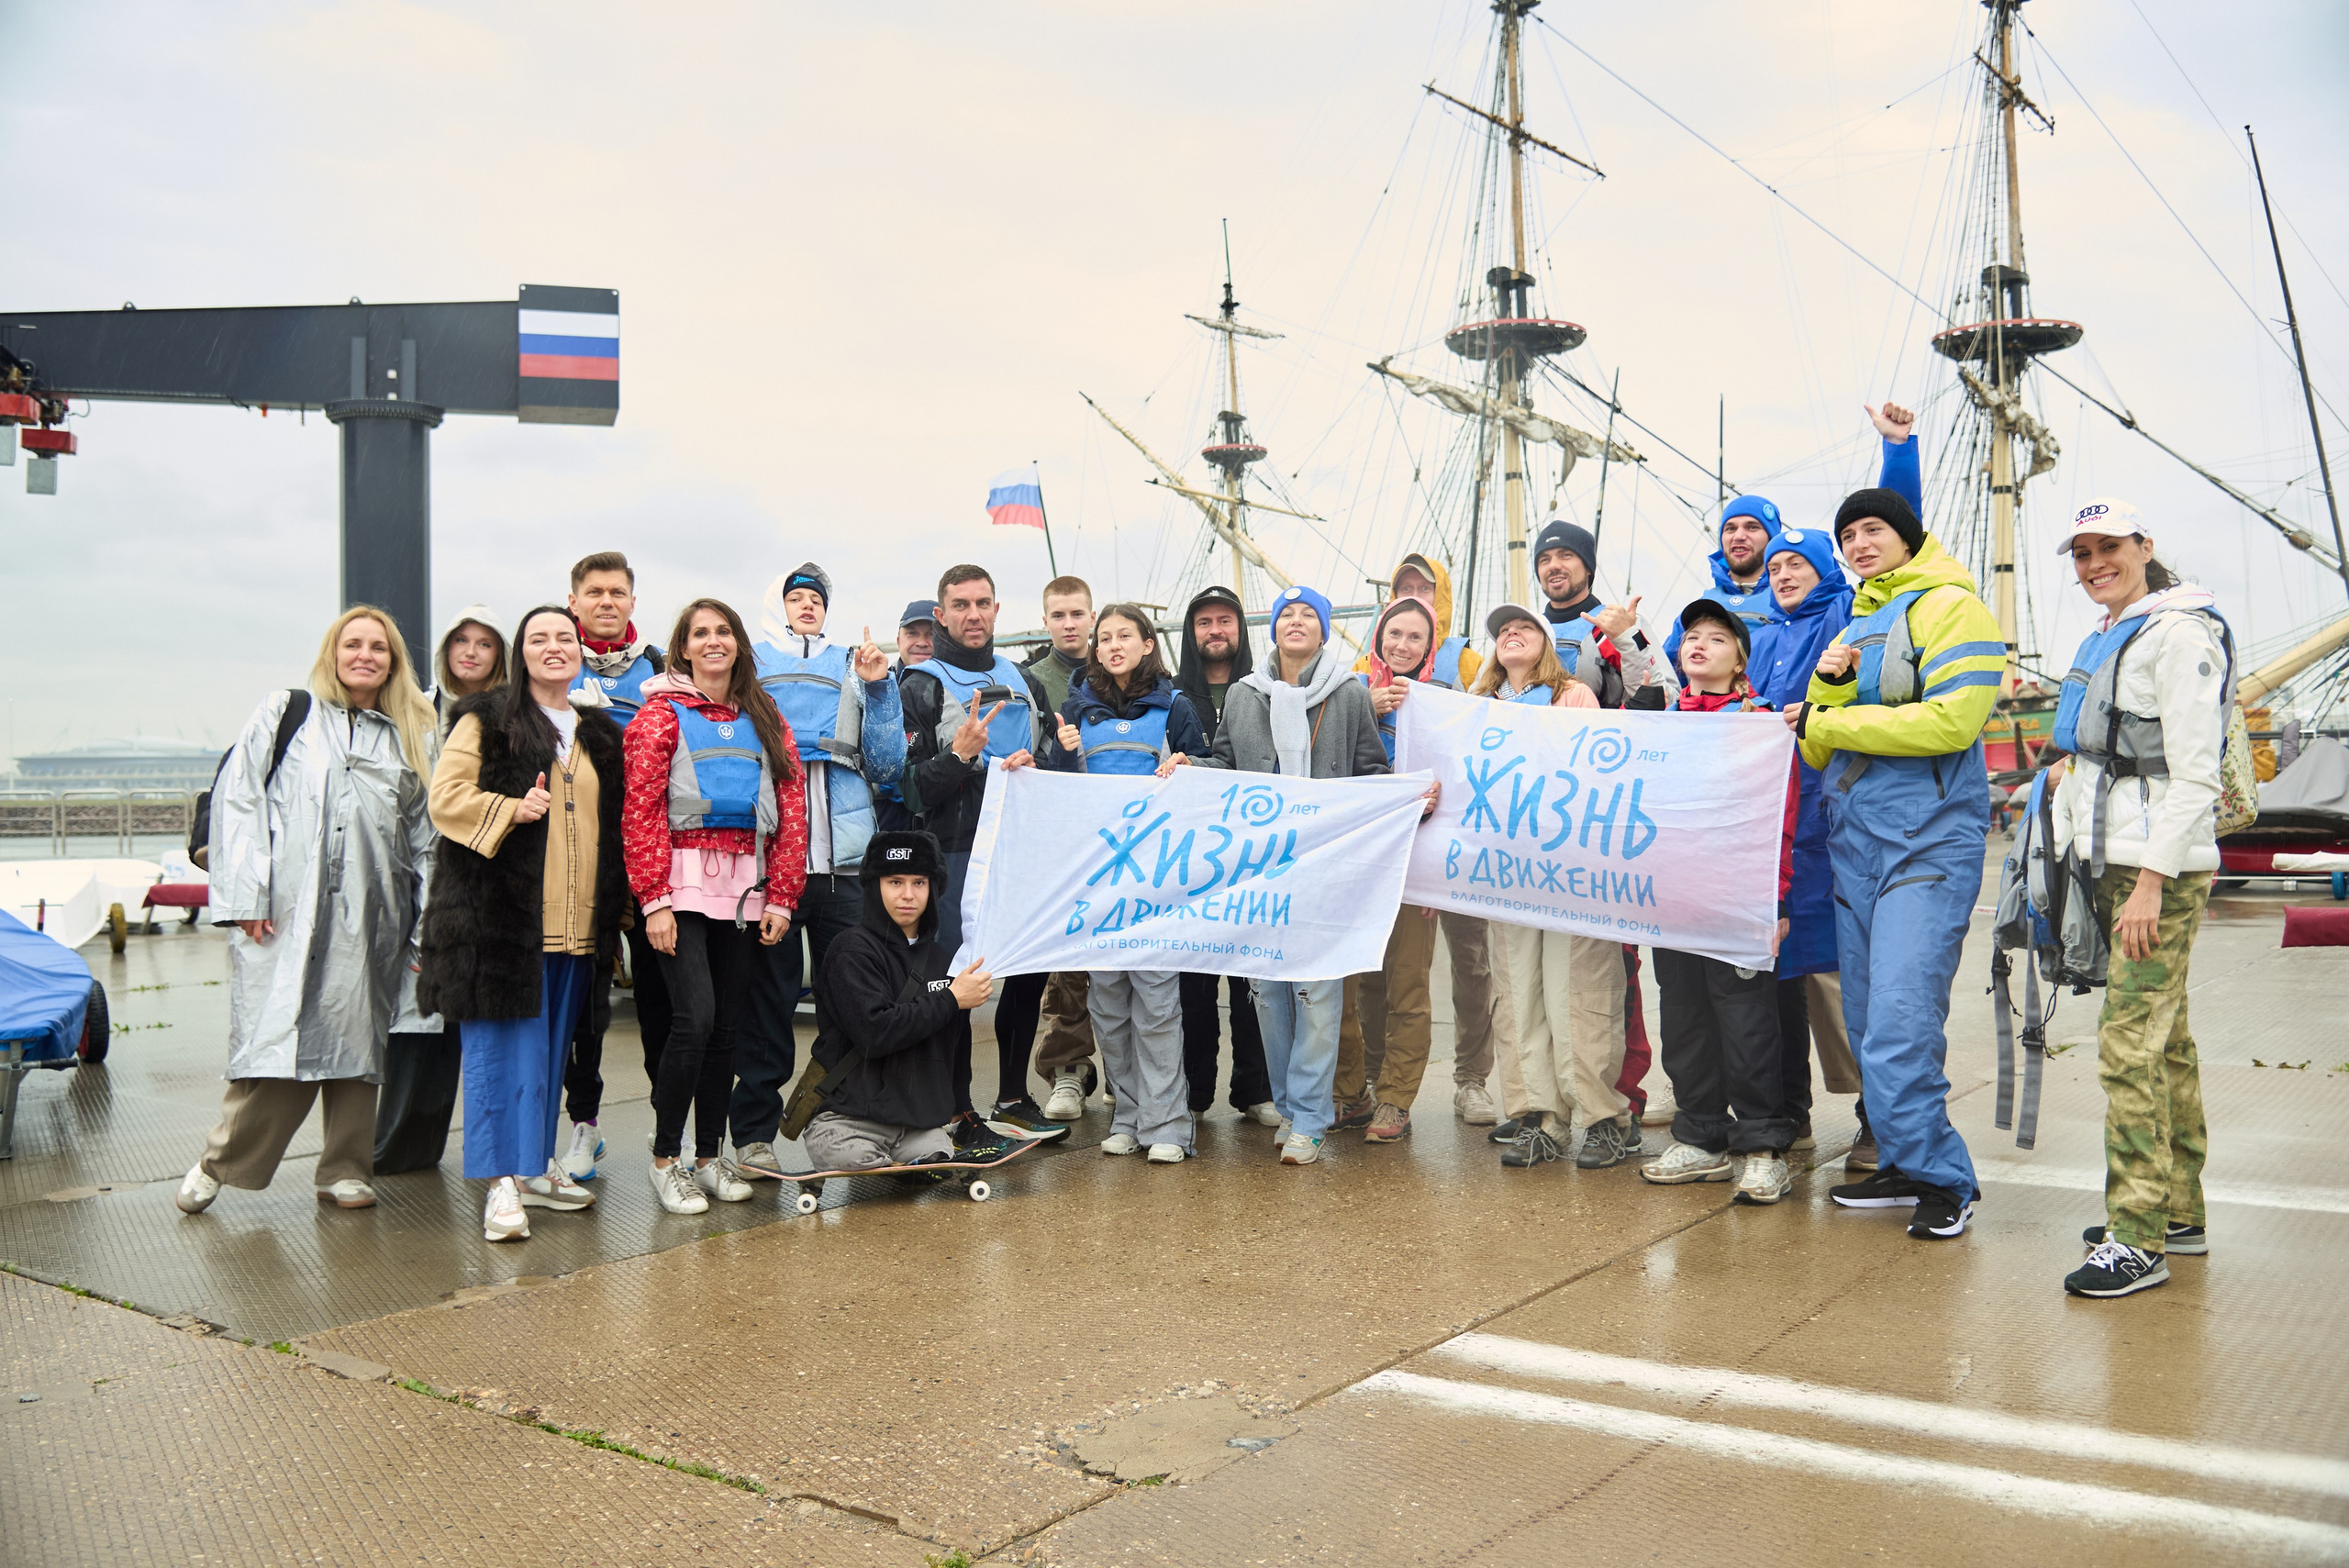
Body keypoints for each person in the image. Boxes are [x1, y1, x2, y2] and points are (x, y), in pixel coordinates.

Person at [1790, 483, 2005, 1241]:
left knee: (1903, 1020)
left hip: (1927, 840)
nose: (1857, 543)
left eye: (1873, 528)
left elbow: (1954, 721)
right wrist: (1831, 686)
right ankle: (1906, 1161)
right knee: (1867, 1016)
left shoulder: (1957, 608)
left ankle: (1946, 1177)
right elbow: (1816, 742)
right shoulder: (1856, 619)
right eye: (1847, 534)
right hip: (1856, 842)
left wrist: (1837, 713)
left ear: (1909, 536)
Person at [176, 607, 437, 1217]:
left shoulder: (411, 733)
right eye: (353, 644)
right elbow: (237, 797)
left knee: (357, 1044)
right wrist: (246, 896)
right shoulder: (286, 712)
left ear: (393, 660)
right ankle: (221, 1160)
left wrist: (427, 931)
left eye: (379, 646)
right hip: (285, 912)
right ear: (333, 652)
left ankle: (346, 1168)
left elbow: (427, 838)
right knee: (278, 1043)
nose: (365, 654)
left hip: (374, 916)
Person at [2050, 500, 2230, 1299]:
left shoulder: (2180, 634)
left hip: (2156, 870)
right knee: (2167, 1038)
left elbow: (2195, 775)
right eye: (2082, 553)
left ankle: (2136, 1236)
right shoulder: (2116, 631)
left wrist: (2151, 882)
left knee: (2129, 1044)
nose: (2094, 564)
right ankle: (2176, 1209)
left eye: (2109, 548)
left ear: (2145, 547)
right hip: (2113, 854)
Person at [1748, 401, 1923, 1173]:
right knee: (1777, 980)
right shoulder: (1756, 634)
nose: (1784, 574)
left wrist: (1897, 454)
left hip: (1837, 828)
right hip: (1771, 837)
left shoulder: (1852, 614)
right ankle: (1785, 1114)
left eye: (1799, 565)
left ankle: (1876, 1118)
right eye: (1775, 566)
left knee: (1847, 983)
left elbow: (1895, 531)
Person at [415, 606, 622, 1241]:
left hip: (575, 920)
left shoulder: (598, 732)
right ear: (521, 652)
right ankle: (501, 1184)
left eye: (565, 637)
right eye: (539, 639)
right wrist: (510, 806)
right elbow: (445, 799)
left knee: (549, 1051)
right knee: (497, 1054)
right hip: (499, 921)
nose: (554, 647)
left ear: (580, 650)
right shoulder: (484, 718)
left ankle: (534, 1168)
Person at [623, 598, 809, 1215]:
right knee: (694, 1019)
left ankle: (708, 1156)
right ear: (682, 647)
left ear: (738, 643)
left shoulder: (764, 716)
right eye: (699, 632)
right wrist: (653, 901)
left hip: (746, 887)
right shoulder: (658, 716)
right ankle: (664, 1158)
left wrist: (783, 894)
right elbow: (641, 812)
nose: (712, 640)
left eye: (722, 630)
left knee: (728, 1026)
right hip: (679, 885)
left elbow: (791, 811)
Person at [1199, 584, 1391, 1165]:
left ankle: (1311, 1115)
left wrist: (1409, 797)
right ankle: (1289, 1106)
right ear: (1274, 629)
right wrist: (1188, 766)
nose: (1297, 622)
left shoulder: (1350, 694)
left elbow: (1372, 771)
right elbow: (1226, 763)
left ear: (1325, 629)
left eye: (1310, 614)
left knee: (1318, 992)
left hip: (1325, 867)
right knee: (1267, 993)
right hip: (1262, 868)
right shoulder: (1243, 696)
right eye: (1287, 615)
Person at [729, 564, 907, 1182]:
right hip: (771, 866)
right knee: (767, 1007)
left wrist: (881, 691)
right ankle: (753, 1136)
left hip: (847, 867)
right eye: (796, 597)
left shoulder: (857, 665)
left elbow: (886, 765)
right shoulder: (750, 661)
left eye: (815, 599)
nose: (807, 605)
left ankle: (853, 1122)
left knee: (854, 1007)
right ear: (780, 606)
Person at [1022, 602, 1207, 1162]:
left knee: (1156, 1004)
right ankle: (1127, 1115)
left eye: (1125, 635)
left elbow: (1207, 768)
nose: (1113, 645)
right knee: (1107, 1003)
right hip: (1099, 881)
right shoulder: (1078, 707)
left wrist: (1191, 766)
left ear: (1148, 642)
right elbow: (1056, 787)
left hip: (1155, 879)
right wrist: (1054, 758)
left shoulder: (1176, 706)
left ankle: (1169, 1124)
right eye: (1105, 639)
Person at [1470, 604, 1648, 1172]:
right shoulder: (1476, 708)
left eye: (1524, 627)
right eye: (1502, 631)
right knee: (1517, 994)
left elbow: (1597, 775)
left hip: (1569, 869)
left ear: (1546, 644)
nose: (1511, 634)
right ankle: (1537, 1117)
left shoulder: (1574, 696)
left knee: (1580, 992)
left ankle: (1601, 1118)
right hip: (1505, 872)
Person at [1638, 601, 1800, 1204]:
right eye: (1692, 638)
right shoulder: (1660, 723)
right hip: (1672, 897)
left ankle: (1762, 1147)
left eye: (1717, 638)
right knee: (1683, 1016)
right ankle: (1701, 1137)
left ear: (1740, 662)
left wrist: (1776, 898)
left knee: (1746, 1019)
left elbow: (1781, 816)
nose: (1699, 645)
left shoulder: (1759, 723)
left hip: (1736, 898)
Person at [894, 565, 1059, 1140]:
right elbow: (906, 788)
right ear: (941, 616)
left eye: (982, 603)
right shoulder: (918, 685)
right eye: (960, 605)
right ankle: (955, 1110)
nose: (973, 615)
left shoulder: (1025, 681)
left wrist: (1044, 764)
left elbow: (1053, 765)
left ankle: (1012, 1097)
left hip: (1021, 853)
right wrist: (961, 756)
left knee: (1028, 970)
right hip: (952, 854)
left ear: (996, 610)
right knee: (951, 984)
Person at [1344, 554, 1510, 1127]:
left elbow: (1493, 731)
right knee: (1376, 969)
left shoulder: (1463, 663)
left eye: (1425, 589)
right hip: (1382, 846)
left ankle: (1471, 1079)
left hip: (1452, 839)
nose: (1406, 638)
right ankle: (1372, 1076)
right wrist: (1366, 707)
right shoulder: (1355, 682)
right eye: (1403, 591)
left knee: (1469, 962)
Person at [373, 604, 506, 1174]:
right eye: (461, 641)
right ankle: (399, 1151)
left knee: (485, 1026)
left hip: (493, 883)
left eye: (484, 643)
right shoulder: (414, 714)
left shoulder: (513, 717)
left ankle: (498, 1153)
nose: (471, 652)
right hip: (419, 884)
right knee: (417, 1021)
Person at [557, 551, 671, 1181]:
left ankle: (665, 1117)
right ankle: (585, 1125)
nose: (606, 601)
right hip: (579, 862)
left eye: (618, 592)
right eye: (594, 592)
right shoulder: (553, 661)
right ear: (573, 601)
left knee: (660, 999)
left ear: (632, 602)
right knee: (586, 1006)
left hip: (648, 856)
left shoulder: (659, 668)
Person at [1152, 584, 1279, 1129]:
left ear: (1239, 628)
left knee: (1253, 982)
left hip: (1253, 853)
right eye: (1203, 622)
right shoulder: (1169, 696)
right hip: (1187, 858)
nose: (1215, 630)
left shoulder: (1270, 692)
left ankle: (1256, 1088)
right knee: (1193, 983)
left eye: (1225, 620)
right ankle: (1194, 1092)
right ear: (1190, 632)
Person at [800, 831, 995, 1173]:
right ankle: (893, 1166)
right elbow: (875, 1032)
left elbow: (955, 1051)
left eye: (919, 882)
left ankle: (919, 1164)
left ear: (933, 888)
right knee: (853, 1157)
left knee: (937, 1159)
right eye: (895, 882)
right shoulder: (851, 950)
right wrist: (951, 999)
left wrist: (959, 1112)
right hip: (848, 1119)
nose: (908, 895)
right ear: (875, 886)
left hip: (916, 1124)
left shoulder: (944, 961)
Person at [1332, 592, 1446, 1143]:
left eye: (1415, 637)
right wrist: (1363, 709)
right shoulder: (1348, 693)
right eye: (1394, 634)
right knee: (1351, 984)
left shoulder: (1445, 703)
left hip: (1414, 860)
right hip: (1356, 861)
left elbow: (1462, 785)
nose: (1402, 645)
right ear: (1378, 639)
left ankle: (1396, 1097)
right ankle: (1354, 1091)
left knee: (1406, 984)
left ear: (1430, 647)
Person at [1020, 577, 1104, 1122]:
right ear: (1046, 620)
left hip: (1122, 833)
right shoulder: (1029, 682)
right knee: (1067, 961)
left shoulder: (1121, 668)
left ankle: (1124, 1068)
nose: (1069, 623)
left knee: (1122, 955)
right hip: (1060, 838)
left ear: (1092, 616)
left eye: (1077, 613)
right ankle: (1067, 1067)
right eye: (1059, 615)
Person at [1663, 496, 1785, 674]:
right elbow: (1666, 674)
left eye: (1752, 527)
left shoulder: (1788, 601)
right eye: (1730, 529)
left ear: (1772, 540)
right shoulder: (1701, 606)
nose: (1739, 536)